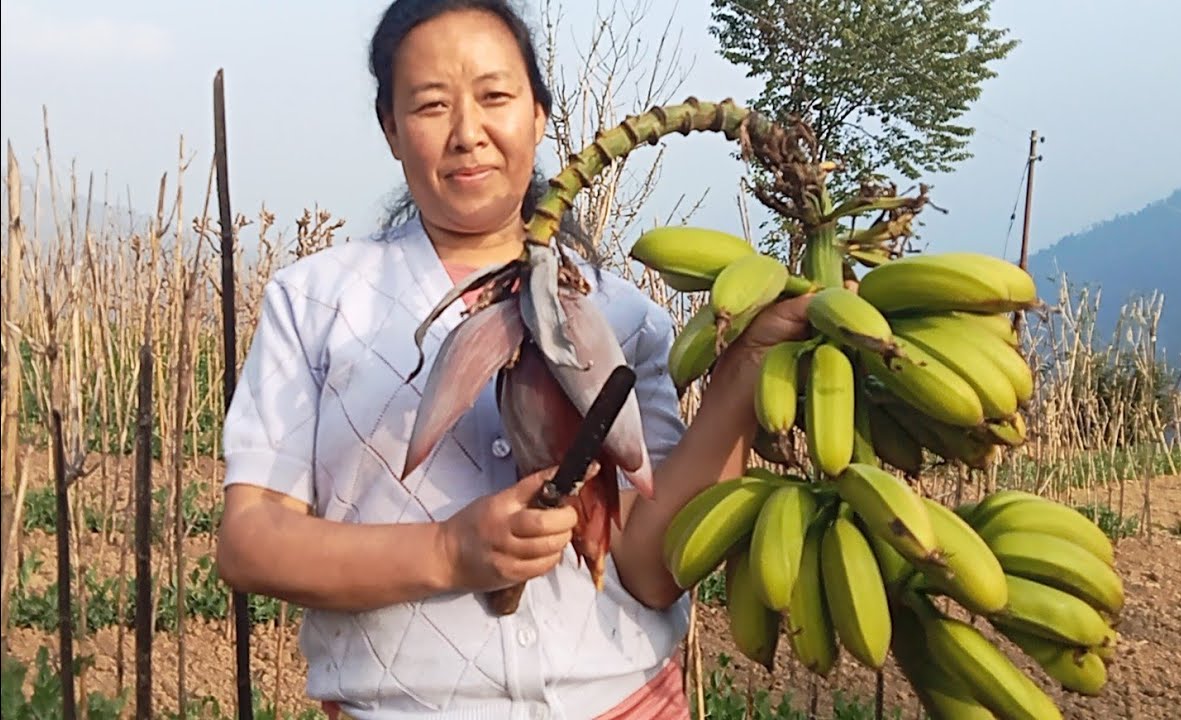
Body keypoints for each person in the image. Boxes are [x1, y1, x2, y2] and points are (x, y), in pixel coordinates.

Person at [214, 1, 813, 718]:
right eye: (432, 106)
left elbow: (649, 570)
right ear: (391, 130)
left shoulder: (622, 316)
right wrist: (448, 552)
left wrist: (744, 378)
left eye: (495, 97)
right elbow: (251, 540)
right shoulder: (317, 304)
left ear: (537, 115)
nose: (469, 134)